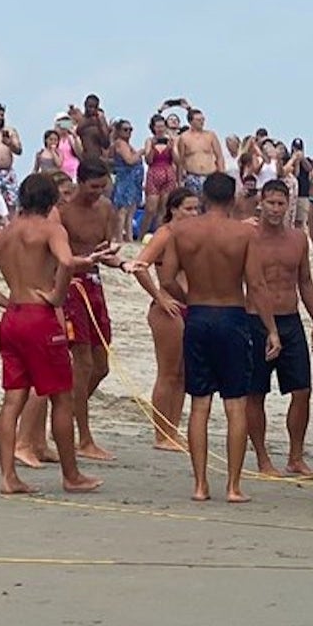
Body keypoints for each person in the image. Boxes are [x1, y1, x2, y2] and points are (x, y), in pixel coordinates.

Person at [0, 171, 108, 495]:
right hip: (40, 318)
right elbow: (66, 262)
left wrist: (5, 301)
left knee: (13, 398)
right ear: (51, 200)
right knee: (61, 395)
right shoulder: (51, 228)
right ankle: (71, 475)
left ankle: (7, 476)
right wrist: (57, 296)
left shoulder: (6, 233)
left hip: (14, 316)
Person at [155, 171, 281, 502]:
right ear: (234, 198)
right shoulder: (243, 234)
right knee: (235, 404)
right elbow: (255, 284)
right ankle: (233, 486)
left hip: (198, 315)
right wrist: (271, 329)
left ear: (205, 196)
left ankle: (200, 485)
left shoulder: (180, 231)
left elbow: (166, 278)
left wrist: (187, 299)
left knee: (199, 404)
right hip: (231, 316)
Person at [245, 179, 313, 476]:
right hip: (255, 320)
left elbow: (305, 280)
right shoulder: (248, 237)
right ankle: (263, 458)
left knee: (302, 390)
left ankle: (295, 456)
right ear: (261, 203)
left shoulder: (297, 238)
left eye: (281, 203)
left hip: (291, 320)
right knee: (256, 393)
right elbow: (251, 284)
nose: (276, 209)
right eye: (271, 203)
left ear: (289, 204)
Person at [56, 158, 121, 460]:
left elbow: (105, 250)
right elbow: (62, 256)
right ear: (80, 182)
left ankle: (65, 415)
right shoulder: (64, 213)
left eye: (102, 187)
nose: (97, 192)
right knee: (81, 363)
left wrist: (120, 261)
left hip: (95, 283)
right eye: (93, 187)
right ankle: (83, 437)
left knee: (101, 365)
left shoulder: (105, 208)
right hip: (72, 286)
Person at [125, 186, 196, 450]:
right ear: (174, 209)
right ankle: (161, 434)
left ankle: (172, 431)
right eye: (187, 208)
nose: (193, 213)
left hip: (189, 306)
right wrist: (160, 295)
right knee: (167, 372)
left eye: (195, 208)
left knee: (182, 374)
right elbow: (139, 266)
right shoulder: (165, 234)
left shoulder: (188, 235)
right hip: (167, 308)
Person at [141, 114, 179, 237]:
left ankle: (158, 236)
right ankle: (142, 234)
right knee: (150, 209)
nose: (160, 129)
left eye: (162, 126)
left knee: (163, 209)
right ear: (153, 128)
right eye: (158, 127)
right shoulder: (149, 140)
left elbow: (177, 161)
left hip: (168, 172)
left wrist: (172, 148)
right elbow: (148, 160)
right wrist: (152, 147)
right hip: (154, 172)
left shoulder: (171, 140)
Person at [175, 105, 226, 194]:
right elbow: (181, 161)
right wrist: (180, 182)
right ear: (191, 122)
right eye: (198, 120)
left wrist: (221, 175)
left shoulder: (210, 135)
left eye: (203, 119)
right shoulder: (184, 137)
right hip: (192, 176)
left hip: (210, 175)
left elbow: (219, 157)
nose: (202, 122)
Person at [109, 119, 145, 239]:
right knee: (123, 210)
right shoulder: (120, 143)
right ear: (119, 131)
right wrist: (140, 152)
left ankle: (128, 236)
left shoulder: (126, 144)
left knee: (130, 211)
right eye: (125, 129)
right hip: (126, 179)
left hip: (132, 180)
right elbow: (129, 160)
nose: (128, 132)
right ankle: (119, 237)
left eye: (130, 130)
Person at [71, 95, 112, 165]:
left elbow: (106, 143)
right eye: (90, 107)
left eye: (95, 107)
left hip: (98, 159)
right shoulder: (80, 120)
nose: (92, 110)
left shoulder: (99, 121)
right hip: (83, 160)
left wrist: (101, 122)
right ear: (85, 105)